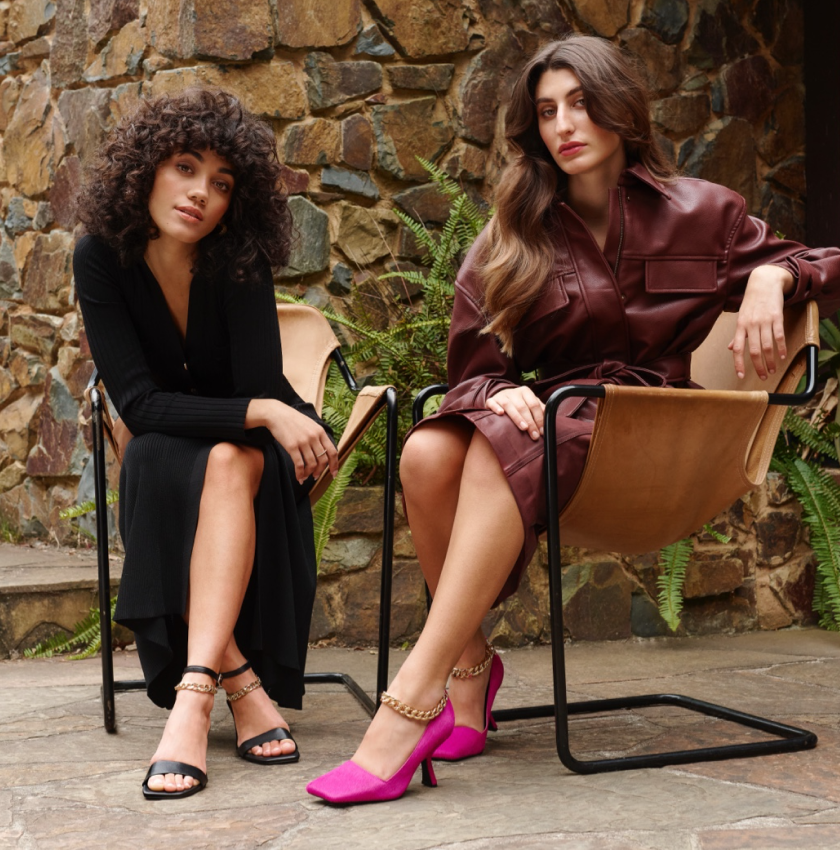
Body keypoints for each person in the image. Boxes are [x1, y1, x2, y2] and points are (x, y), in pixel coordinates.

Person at [306, 34, 840, 804]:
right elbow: (472, 367)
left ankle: (410, 703)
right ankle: (469, 672)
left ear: (620, 108)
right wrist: (495, 393)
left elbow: (826, 262)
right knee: (425, 452)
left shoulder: (703, 212)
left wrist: (771, 278)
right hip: (552, 426)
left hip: (657, 438)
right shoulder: (511, 235)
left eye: (582, 104)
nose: (564, 124)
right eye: (548, 111)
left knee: (499, 442)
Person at [74, 88, 338, 800]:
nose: (200, 194)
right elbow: (138, 404)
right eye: (186, 168)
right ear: (146, 169)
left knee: (225, 460)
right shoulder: (99, 256)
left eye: (221, 184)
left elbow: (254, 385)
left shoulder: (238, 258)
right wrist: (264, 410)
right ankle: (234, 682)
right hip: (166, 445)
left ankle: (192, 701)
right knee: (172, 457)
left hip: (250, 456)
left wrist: (273, 412)